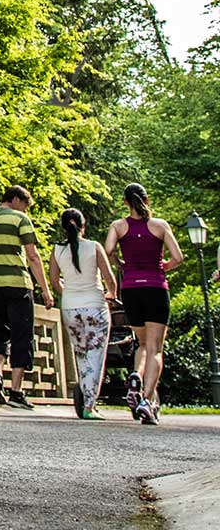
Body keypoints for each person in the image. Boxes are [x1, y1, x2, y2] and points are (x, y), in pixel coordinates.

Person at [0, 185, 54, 411]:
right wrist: (45, 289)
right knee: (22, 336)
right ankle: (16, 390)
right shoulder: (19, 219)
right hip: (18, 284)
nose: (26, 210)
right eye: (25, 205)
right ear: (16, 199)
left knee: (0, 330)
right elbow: (33, 256)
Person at [105, 183, 183, 426]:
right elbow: (178, 257)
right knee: (156, 348)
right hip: (156, 287)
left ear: (126, 202)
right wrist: (163, 267)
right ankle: (146, 400)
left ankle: (136, 375)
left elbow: (108, 249)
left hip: (131, 288)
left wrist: (121, 263)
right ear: (146, 200)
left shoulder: (118, 226)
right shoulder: (160, 226)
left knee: (142, 343)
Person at [49, 208, 118, 420]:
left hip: (70, 307)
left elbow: (54, 280)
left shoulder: (57, 250)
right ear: (83, 225)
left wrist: (68, 293)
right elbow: (110, 279)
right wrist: (111, 294)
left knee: (81, 354)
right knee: (96, 355)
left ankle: (87, 401)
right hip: (95, 305)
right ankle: (89, 404)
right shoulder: (94, 247)